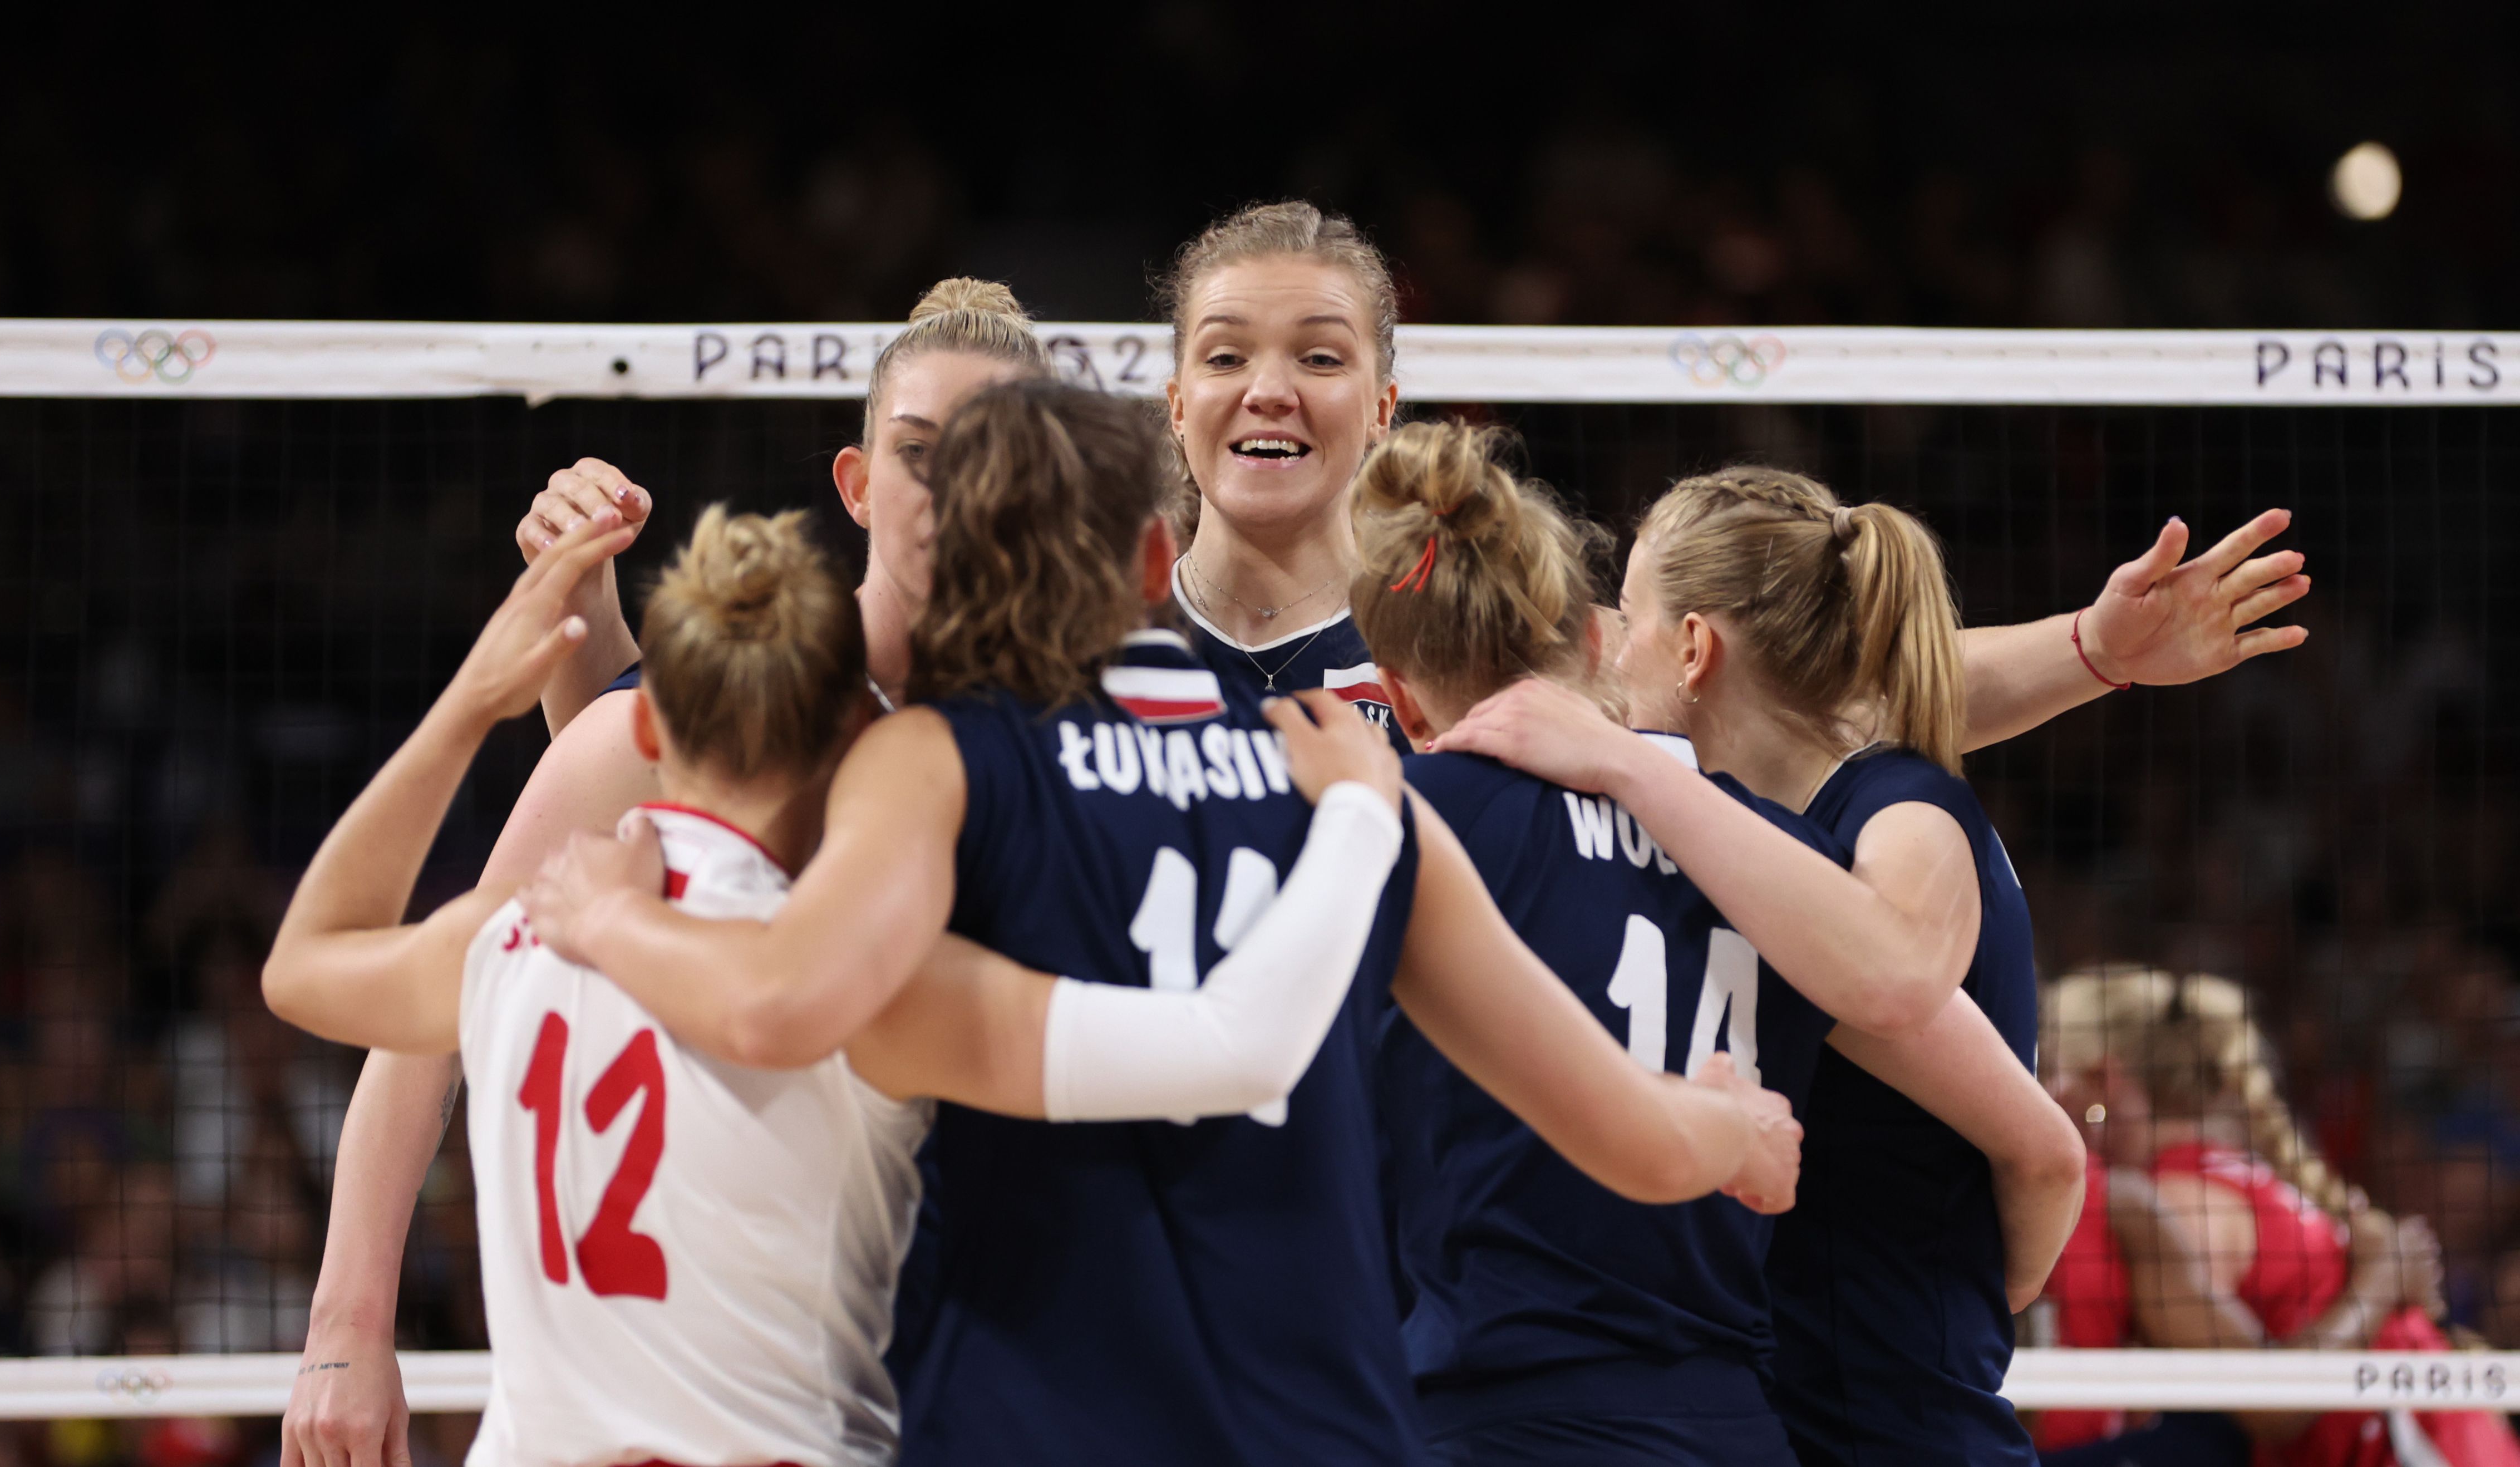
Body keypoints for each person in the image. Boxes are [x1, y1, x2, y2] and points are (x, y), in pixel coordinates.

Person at [293, 201, 2314, 1463]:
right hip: (952, 1339)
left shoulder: (1471, 669)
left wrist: (2080, 650)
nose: (1272, 385)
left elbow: (1779, 704)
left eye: (1319, 354)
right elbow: (543, 937)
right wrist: (352, 1318)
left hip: (1291, 1354)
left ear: (1385, 403)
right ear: (1159, 433)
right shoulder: (985, 713)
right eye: (1228, 355)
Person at [518, 378, 1798, 1466]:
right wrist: (1733, 1127)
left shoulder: (931, 763)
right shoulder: (1354, 786)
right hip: (1324, 1429)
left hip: (1029, 1420)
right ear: (1151, 565)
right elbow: (1628, 1138)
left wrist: (607, 910)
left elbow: (767, 966)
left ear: (942, 566)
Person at [263, 503, 1420, 1466]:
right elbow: (1236, 1040)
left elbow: (304, 961)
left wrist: (473, 701)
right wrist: (1363, 815)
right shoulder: (862, 994)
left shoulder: (513, 940)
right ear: (853, 743)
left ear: (651, 721)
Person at [279, 278, 1055, 1467]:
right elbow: (428, 1010)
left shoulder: (1066, 736)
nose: (958, 491)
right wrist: (345, 1326)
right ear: (856, 482)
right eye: (920, 452)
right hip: (699, 1391)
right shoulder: (688, 711)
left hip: (934, 1371)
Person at [1348, 421, 2085, 1466]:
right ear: (1589, 644)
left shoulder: (1406, 818)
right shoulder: (1782, 870)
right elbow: (2042, 1141)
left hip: (1493, 1404)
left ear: (1396, 690)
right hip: (1736, 1417)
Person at [2039, 967, 2520, 1467]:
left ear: (2103, 1081)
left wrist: (2379, 1280)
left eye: (2052, 1069)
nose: (2044, 1091)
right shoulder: (2226, 1167)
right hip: (2448, 1429)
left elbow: (2271, 1398)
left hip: (2408, 1444)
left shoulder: (2178, 1203)